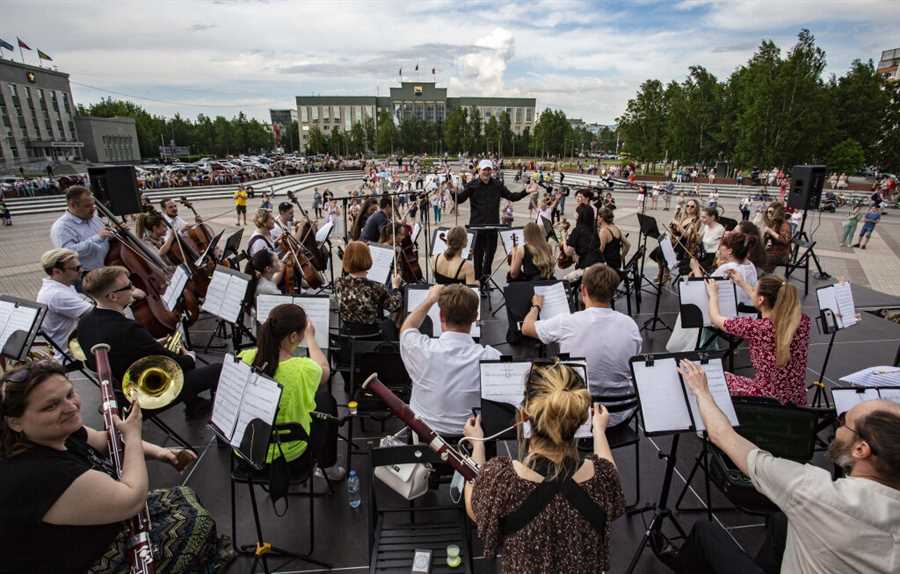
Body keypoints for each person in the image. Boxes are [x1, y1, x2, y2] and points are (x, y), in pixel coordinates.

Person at [658, 362, 900, 574]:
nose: (837, 428)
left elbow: (723, 436)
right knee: (780, 521)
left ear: (861, 450)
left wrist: (701, 391)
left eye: (842, 422)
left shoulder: (813, 491)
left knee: (705, 534)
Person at [0, 362, 234, 573]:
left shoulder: (50, 432)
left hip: (81, 535)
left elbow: (104, 441)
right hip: (76, 561)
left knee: (184, 497)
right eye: (51, 406)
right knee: (198, 524)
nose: (70, 407)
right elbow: (131, 499)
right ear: (15, 422)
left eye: (69, 394)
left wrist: (161, 453)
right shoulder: (39, 473)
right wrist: (133, 434)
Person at [464, 362, 626, 574]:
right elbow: (609, 469)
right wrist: (599, 431)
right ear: (581, 418)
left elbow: (474, 507)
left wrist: (477, 444)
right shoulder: (603, 478)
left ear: (523, 416)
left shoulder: (500, 480)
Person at [76, 266, 222, 419]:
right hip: (140, 400)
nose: (134, 288)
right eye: (129, 286)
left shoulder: (84, 323)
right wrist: (190, 356)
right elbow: (176, 364)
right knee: (217, 370)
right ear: (113, 296)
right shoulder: (128, 329)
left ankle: (194, 405)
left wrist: (151, 344)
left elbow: (103, 359)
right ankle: (218, 421)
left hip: (116, 395)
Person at [523, 264, 641, 426]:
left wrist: (536, 306)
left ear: (583, 290)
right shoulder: (630, 325)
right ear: (613, 294)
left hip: (577, 415)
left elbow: (526, 328)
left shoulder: (568, 322)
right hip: (621, 414)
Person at [239, 304, 344, 479]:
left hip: (246, 454)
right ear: (294, 336)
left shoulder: (244, 357)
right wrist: (311, 338)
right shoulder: (303, 369)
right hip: (289, 459)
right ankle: (329, 467)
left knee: (321, 400)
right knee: (326, 402)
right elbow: (325, 370)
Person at [400, 285, 501, 437]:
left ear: (441, 316)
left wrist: (429, 300)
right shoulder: (491, 357)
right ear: (475, 317)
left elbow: (407, 328)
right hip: (471, 439)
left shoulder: (419, 348)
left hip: (424, 437)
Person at [706, 274, 809, 405]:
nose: (752, 291)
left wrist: (713, 295)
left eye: (754, 289)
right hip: (795, 399)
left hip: (766, 399)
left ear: (761, 300)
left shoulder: (757, 328)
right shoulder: (802, 321)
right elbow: (764, 300)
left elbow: (715, 318)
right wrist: (742, 283)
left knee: (713, 379)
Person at [453, 159, 529, 286]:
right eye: (484, 169)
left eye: (489, 169)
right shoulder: (472, 185)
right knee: (477, 257)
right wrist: (453, 192)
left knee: (489, 257)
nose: (487, 172)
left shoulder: (497, 185)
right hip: (477, 227)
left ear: (492, 170)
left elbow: (511, 196)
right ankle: (478, 281)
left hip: (493, 226)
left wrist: (526, 192)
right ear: (479, 170)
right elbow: (459, 199)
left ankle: (486, 279)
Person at [334, 241, 402, 338]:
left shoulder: (338, 283)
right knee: (390, 324)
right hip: (371, 336)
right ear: (367, 259)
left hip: (346, 335)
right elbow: (395, 306)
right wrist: (396, 287)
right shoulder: (375, 287)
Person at [35, 249, 93, 360]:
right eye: (76, 268)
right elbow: (100, 313)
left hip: (79, 341)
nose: (81, 270)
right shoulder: (57, 294)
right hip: (75, 353)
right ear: (57, 272)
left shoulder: (63, 285)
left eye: (80, 266)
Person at [49, 186, 113, 274]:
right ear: (73, 205)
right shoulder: (62, 227)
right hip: (82, 275)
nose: (93, 209)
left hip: (103, 268)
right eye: (87, 206)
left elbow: (104, 237)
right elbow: (68, 253)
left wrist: (114, 232)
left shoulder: (94, 218)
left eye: (93, 204)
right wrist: (97, 238)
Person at [561, 204, 603, 272]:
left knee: (567, 280)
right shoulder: (594, 229)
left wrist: (563, 238)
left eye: (576, 212)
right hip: (600, 263)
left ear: (579, 215)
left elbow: (568, 252)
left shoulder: (578, 230)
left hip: (588, 268)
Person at [760, 202, 791, 273]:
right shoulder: (773, 224)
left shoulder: (784, 224)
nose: (768, 214)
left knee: (764, 260)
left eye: (771, 212)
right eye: (768, 211)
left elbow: (785, 240)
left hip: (780, 255)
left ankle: (765, 279)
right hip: (771, 251)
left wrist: (770, 231)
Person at [597, 207, 629, 274]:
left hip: (607, 266)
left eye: (598, 216)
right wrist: (621, 257)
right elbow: (627, 245)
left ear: (601, 218)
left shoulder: (604, 231)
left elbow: (600, 251)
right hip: (616, 263)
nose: (597, 218)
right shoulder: (616, 228)